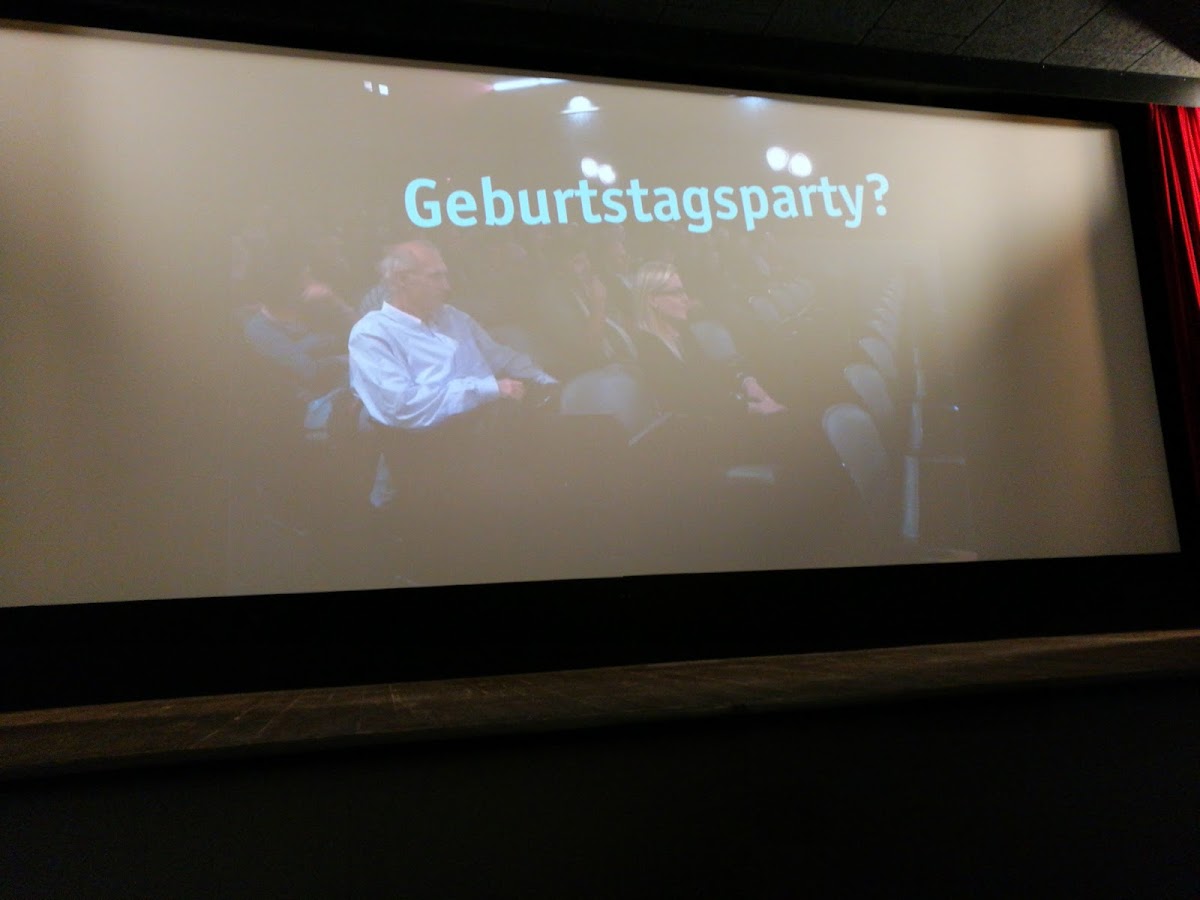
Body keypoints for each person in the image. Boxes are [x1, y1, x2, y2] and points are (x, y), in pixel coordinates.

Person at [348, 240, 559, 510]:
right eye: (436, 277)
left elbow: (498, 355)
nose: (447, 286)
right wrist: (488, 388)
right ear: (402, 280)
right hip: (431, 461)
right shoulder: (372, 333)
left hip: (489, 438)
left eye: (445, 275)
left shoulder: (453, 317)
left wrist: (545, 381)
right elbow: (403, 406)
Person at [630, 260, 785, 420]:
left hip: (715, 415)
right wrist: (753, 408)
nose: (686, 298)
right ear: (653, 300)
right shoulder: (649, 347)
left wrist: (746, 381)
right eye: (676, 292)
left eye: (684, 291)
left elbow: (708, 373)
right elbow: (690, 401)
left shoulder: (680, 332)